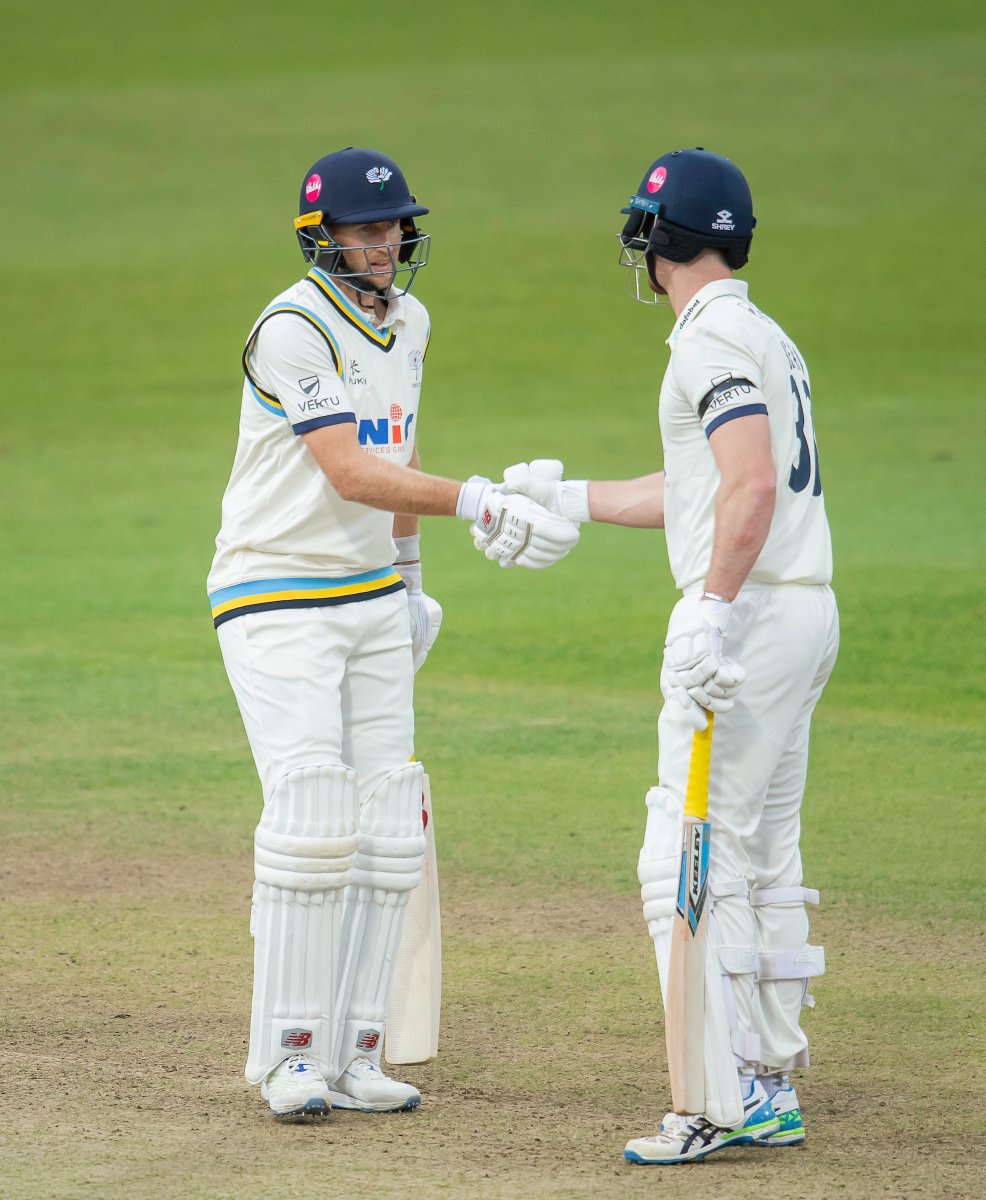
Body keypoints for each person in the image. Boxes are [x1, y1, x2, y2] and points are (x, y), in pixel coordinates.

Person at [207, 146, 578, 1120]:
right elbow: (347, 471)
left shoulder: (410, 322)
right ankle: (289, 1059)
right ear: (319, 238)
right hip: (274, 594)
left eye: (391, 228)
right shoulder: (288, 330)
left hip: (370, 595)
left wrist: (410, 587)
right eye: (363, 231)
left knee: (385, 825)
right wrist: (478, 501)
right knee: (311, 817)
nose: (382, 246)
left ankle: (356, 1051)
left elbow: (397, 449)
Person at [493, 148, 839, 1164]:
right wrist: (569, 497)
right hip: (801, 612)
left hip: (750, 619)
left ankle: (711, 1099)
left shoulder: (705, 342)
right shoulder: (760, 332)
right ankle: (764, 1080)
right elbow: (705, 485)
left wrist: (710, 609)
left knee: (684, 851)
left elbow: (745, 490)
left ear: (655, 247)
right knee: (761, 852)